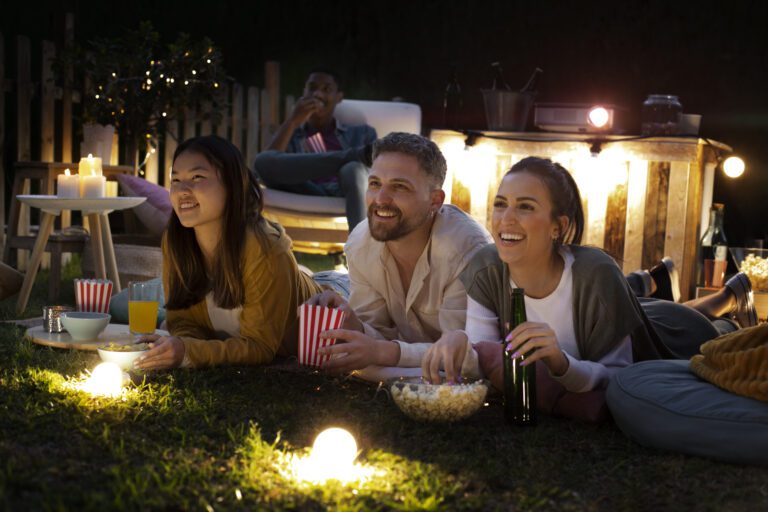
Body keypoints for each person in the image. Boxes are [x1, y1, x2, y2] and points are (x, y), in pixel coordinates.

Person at [422, 156, 757, 391]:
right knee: (643, 305)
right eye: (500, 204)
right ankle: (655, 283)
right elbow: (488, 359)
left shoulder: (595, 274)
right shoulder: (485, 267)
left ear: (558, 227)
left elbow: (617, 375)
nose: (505, 219)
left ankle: (729, 299)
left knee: (706, 327)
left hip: (672, 338)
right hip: (627, 311)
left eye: (525, 206)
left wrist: (560, 362)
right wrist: (460, 342)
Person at [306, 132, 492, 378]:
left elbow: (462, 355)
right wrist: (353, 322)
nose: (381, 199)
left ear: (435, 201)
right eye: (375, 184)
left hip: (464, 361)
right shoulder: (361, 244)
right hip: (404, 352)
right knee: (316, 287)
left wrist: (383, 353)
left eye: (399, 187)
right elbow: (377, 335)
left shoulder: (465, 250)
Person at [135, 136, 321, 370]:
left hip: (331, 301)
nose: (182, 190)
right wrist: (180, 343)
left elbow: (260, 347)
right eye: (176, 179)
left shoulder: (265, 248)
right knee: (163, 322)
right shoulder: (176, 241)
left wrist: (189, 351)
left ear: (232, 185)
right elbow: (182, 321)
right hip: (292, 278)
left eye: (197, 177)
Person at [253, 68, 377, 231]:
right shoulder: (291, 133)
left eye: (326, 89)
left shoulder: (361, 133)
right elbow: (266, 168)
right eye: (312, 88)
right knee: (262, 161)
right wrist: (292, 122)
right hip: (307, 189)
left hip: (347, 189)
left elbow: (375, 175)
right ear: (304, 92)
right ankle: (353, 156)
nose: (318, 94)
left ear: (339, 97)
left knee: (353, 168)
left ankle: (360, 249)